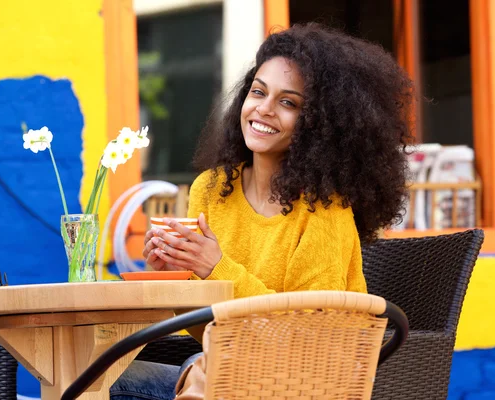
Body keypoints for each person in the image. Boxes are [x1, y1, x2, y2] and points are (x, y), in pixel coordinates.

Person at [110, 22, 413, 400]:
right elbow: (208, 330)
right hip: (227, 369)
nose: (264, 110)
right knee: (99, 378)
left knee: (205, 370)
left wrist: (215, 267)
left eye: (288, 103)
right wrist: (177, 275)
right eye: (258, 92)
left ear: (319, 124)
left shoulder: (325, 208)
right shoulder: (211, 188)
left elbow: (310, 336)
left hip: (304, 384)